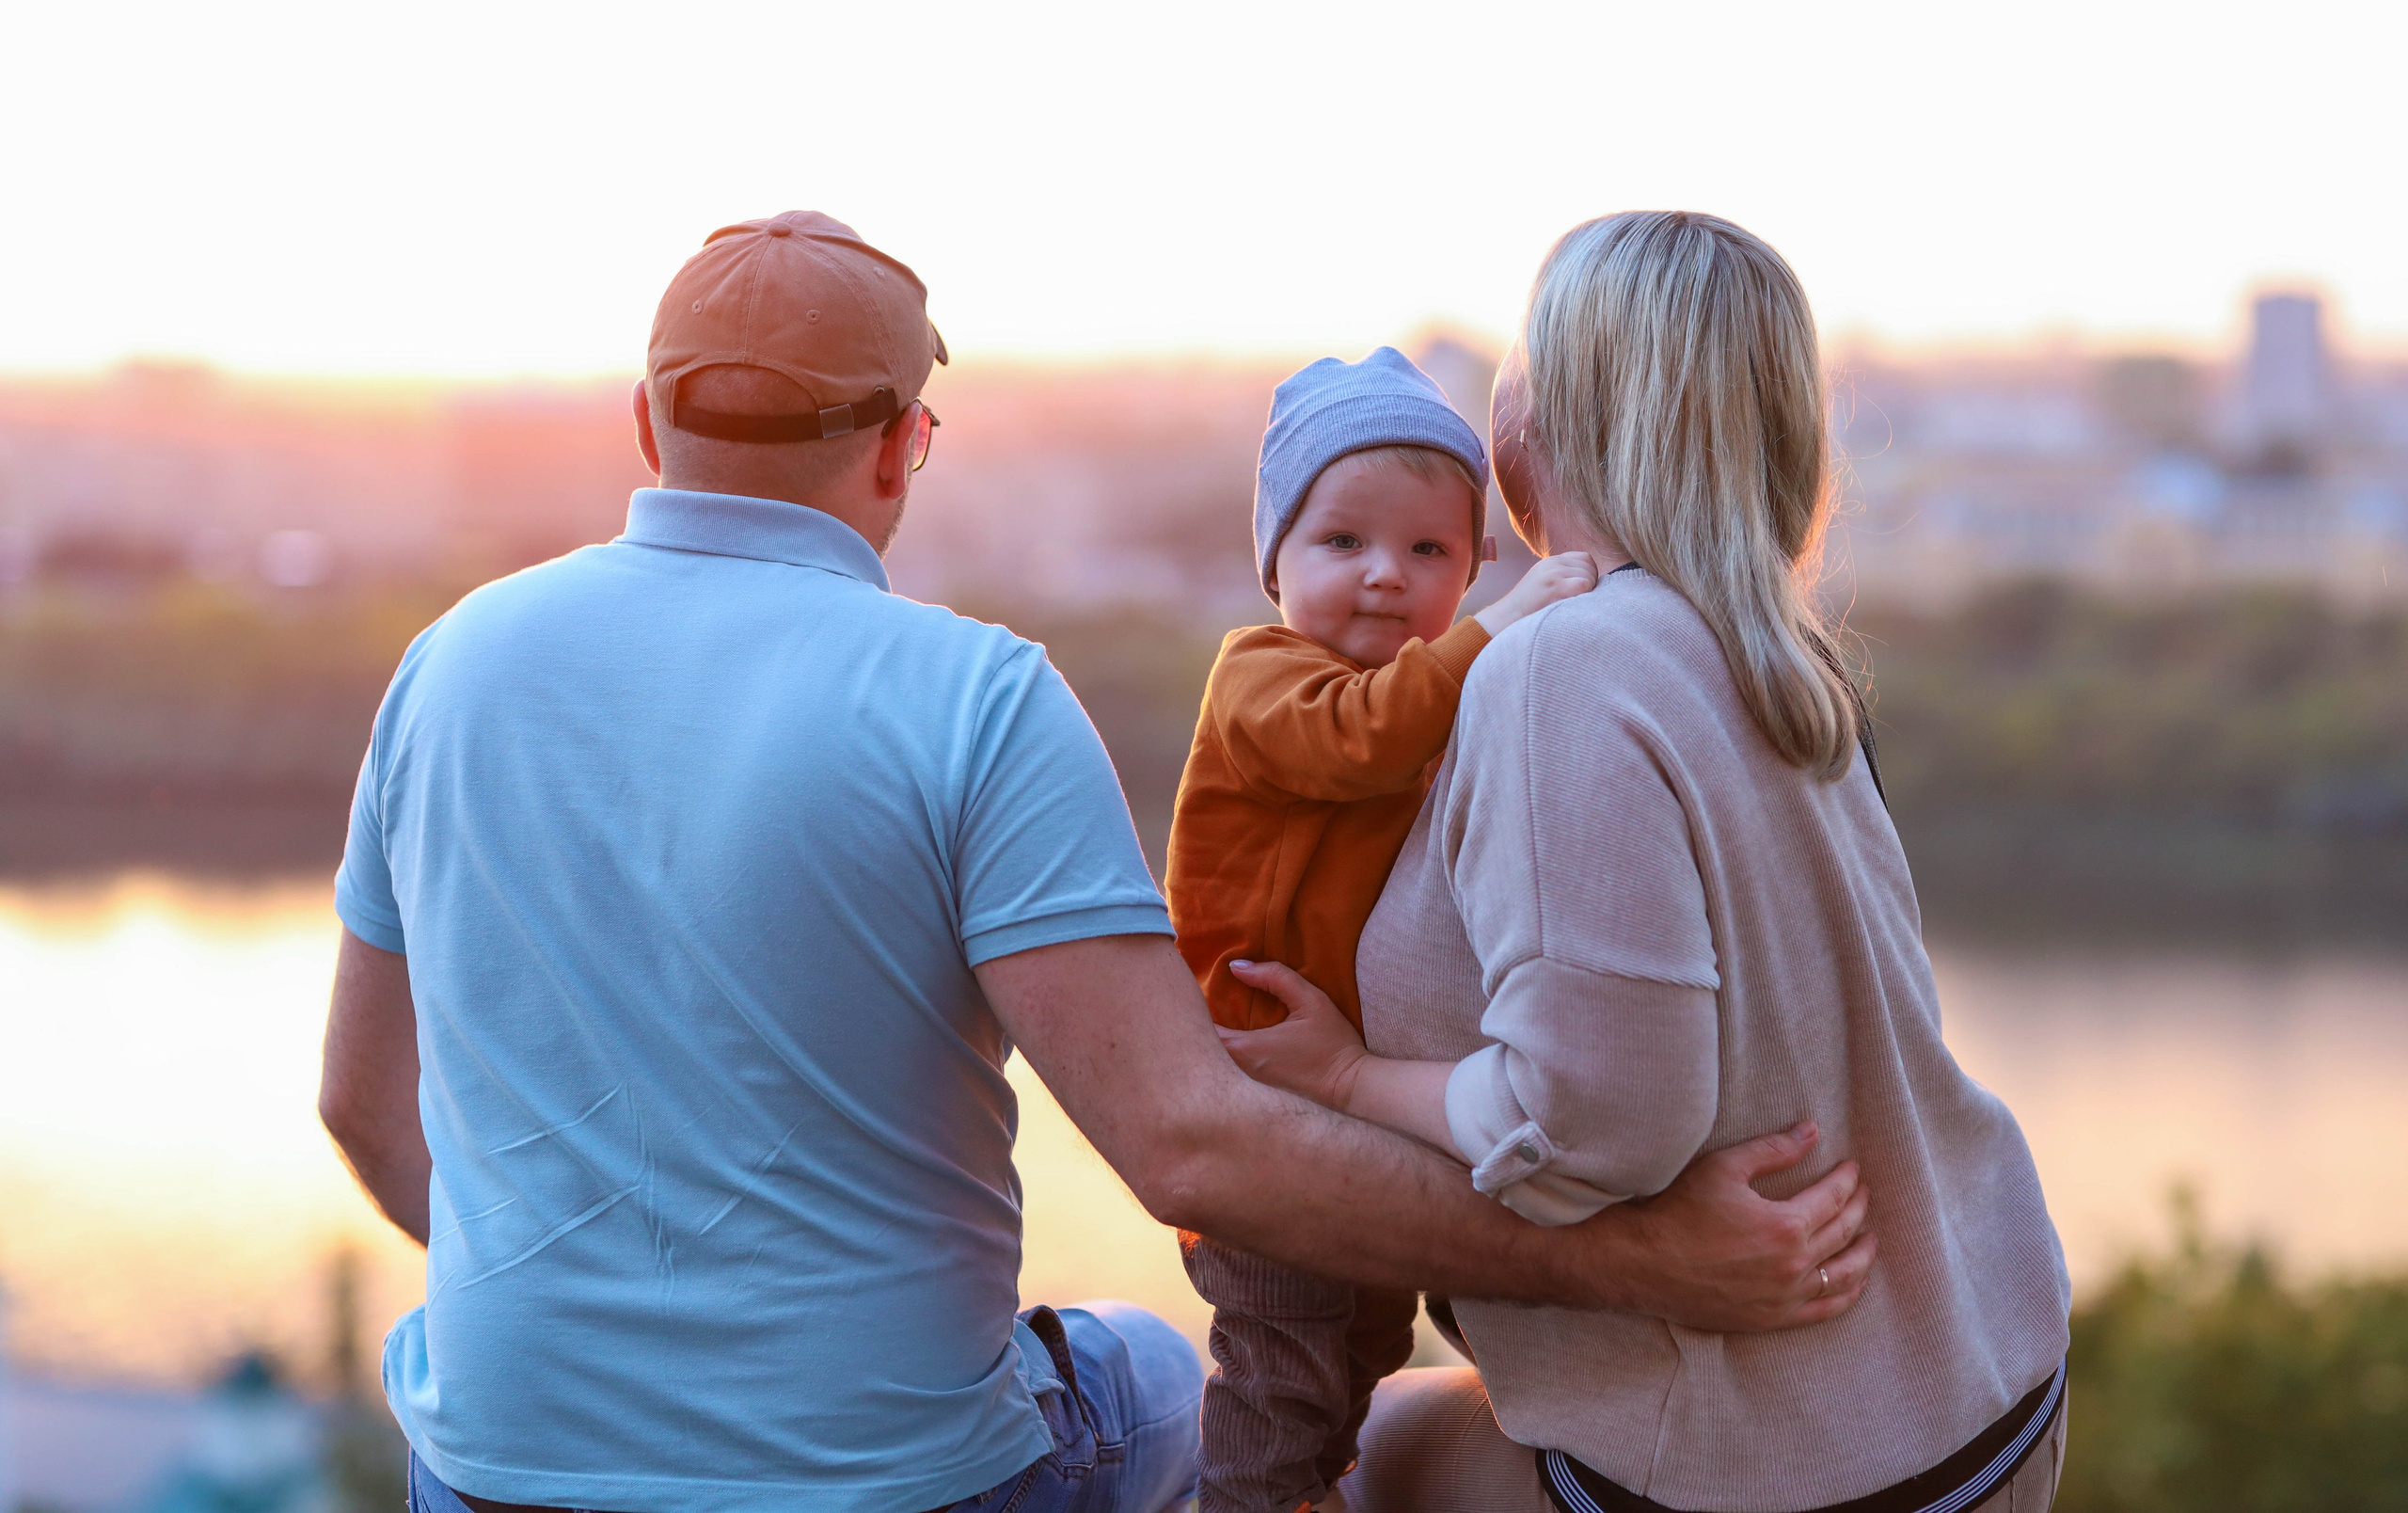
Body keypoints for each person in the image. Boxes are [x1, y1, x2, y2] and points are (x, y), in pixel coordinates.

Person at [315, 211, 1882, 1513]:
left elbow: (366, 1110)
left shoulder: (444, 666)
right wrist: (1646, 1258)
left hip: (490, 1464)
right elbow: (1191, 1147)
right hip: (882, 1479)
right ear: (903, 449)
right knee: (1165, 1385)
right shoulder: (965, 697)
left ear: (648, 424)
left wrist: (613, 1350)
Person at [1224, 212, 2073, 1513]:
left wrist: (1349, 1074)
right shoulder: (1778, 652)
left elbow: (1592, 1123)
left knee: (1306, 1451)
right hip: (1983, 1398)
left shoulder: (1562, 667)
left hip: (1779, 1467)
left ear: (1550, 417)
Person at [1168, 347, 1598, 1513]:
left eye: (1428, 552)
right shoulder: (1263, 680)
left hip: (1363, 1109)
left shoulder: (1437, 695)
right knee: (1281, 1368)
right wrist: (1494, 634)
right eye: (1341, 543)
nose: (1383, 578)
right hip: (1267, 1111)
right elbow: (1355, 739)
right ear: (1275, 563)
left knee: (1365, 1347)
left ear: (1469, 560)